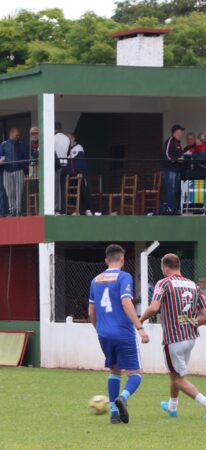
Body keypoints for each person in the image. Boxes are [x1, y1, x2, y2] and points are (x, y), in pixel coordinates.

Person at [88, 244, 150, 424]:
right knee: (136, 373)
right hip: (123, 332)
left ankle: (114, 414)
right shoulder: (124, 277)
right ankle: (122, 398)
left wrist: (99, 329)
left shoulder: (95, 280)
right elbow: (126, 302)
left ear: (106, 260)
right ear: (122, 259)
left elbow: (91, 311)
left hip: (103, 333)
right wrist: (140, 328)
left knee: (114, 370)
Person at [139, 253, 206, 418]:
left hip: (174, 339)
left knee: (177, 378)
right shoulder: (193, 285)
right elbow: (205, 315)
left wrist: (138, 321)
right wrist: (192, 323)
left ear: (165, 268)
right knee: (176, 375)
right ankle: (172, 407)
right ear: (179, 266)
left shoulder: (164, 283)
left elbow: (154, 308)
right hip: (190, 338)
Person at [0, 128, 30, 216]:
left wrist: (26, 171)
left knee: (18, 192)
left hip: (19, 171)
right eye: (17, 135)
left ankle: (18, 211)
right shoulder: (3, 144)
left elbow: (26, 159)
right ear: (11, 134)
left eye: (18, 135)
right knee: (9, 192)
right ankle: (12, 210)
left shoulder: (22, 145)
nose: (18, 137)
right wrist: (0, 160)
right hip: (7, 171)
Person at [160, 125, 185, 215]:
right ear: (176, 132)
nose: (182, 133)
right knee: (170, 188)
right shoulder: (170, 140)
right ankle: (167, 208)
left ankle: (172, 208)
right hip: (169, 169)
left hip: (176, 170)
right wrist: (176, 159)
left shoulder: (178, 142)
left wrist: (181, 158)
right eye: (181, 131)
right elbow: (166, 154)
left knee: (174, 189)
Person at [54, 122, 70, 214]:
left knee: (56, 187)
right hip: (65, 164)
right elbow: (68, 152)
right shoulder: (66, 138)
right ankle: (63, 210)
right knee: (62, 188)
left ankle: (57, 209)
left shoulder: (53, 138)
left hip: (56, 165)